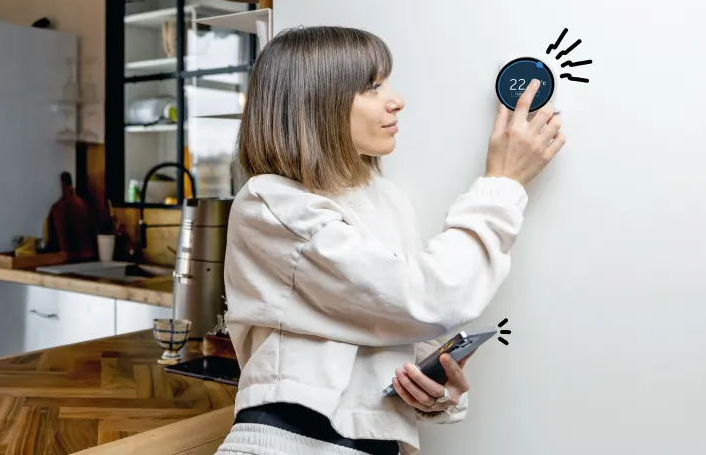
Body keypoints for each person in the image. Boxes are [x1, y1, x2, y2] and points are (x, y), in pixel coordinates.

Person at [216, 26, 564, 455]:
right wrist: (503, 183)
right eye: (373, 86)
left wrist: (431, 390)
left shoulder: (387, 201)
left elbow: (400, 325)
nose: (396, 100)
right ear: (316, 104)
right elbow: (430, 298)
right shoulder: (270, 203)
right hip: (287, 441)